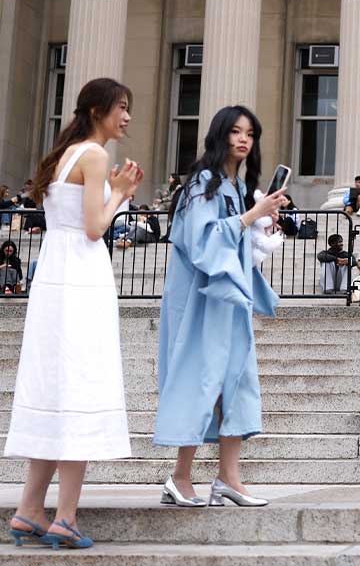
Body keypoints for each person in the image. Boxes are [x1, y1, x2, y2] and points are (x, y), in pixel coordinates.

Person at [5, 77, 143, 549]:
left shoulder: (63, 154)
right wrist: (121, 192)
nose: (126, 116)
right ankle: (65, 516)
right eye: (121, 107)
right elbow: (95, 227)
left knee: (56, 389)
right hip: (80, 277)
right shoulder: (95, 155)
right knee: (81, 387)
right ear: (97, 109)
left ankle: (29, 508)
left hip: (55, 275)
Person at [153, 105, 287, 510]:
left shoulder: (233, 187)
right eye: (235, 131)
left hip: (229, 300)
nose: (244, 139)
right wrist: (251, 216)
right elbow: (201, 242)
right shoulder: (203, 183)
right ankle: (179, 477)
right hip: (201, 301)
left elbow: (234, 244)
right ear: (220, 135)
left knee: (237, 383)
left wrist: (260, 224)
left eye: (250, 133)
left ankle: (229, 478)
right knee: (203, 380)